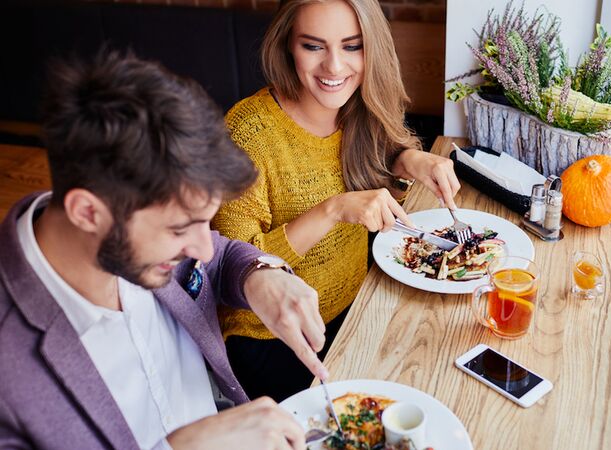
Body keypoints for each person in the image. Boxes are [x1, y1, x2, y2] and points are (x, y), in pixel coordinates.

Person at [0, 50, 326, 450]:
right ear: (87, 212)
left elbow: (218, 258)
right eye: (180, 229)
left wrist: (259, 274)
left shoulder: (138, 229)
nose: (203, 250)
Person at [211, 0, 462, 402]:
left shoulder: (358, 104)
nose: (334, 67)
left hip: (356, 304)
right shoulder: (247, 135)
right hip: (273, 336)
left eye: (352, 46)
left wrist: (406, 158)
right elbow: (233, 270)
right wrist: (332, 210)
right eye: (313, 46)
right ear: (287, 46)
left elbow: (374, 161)